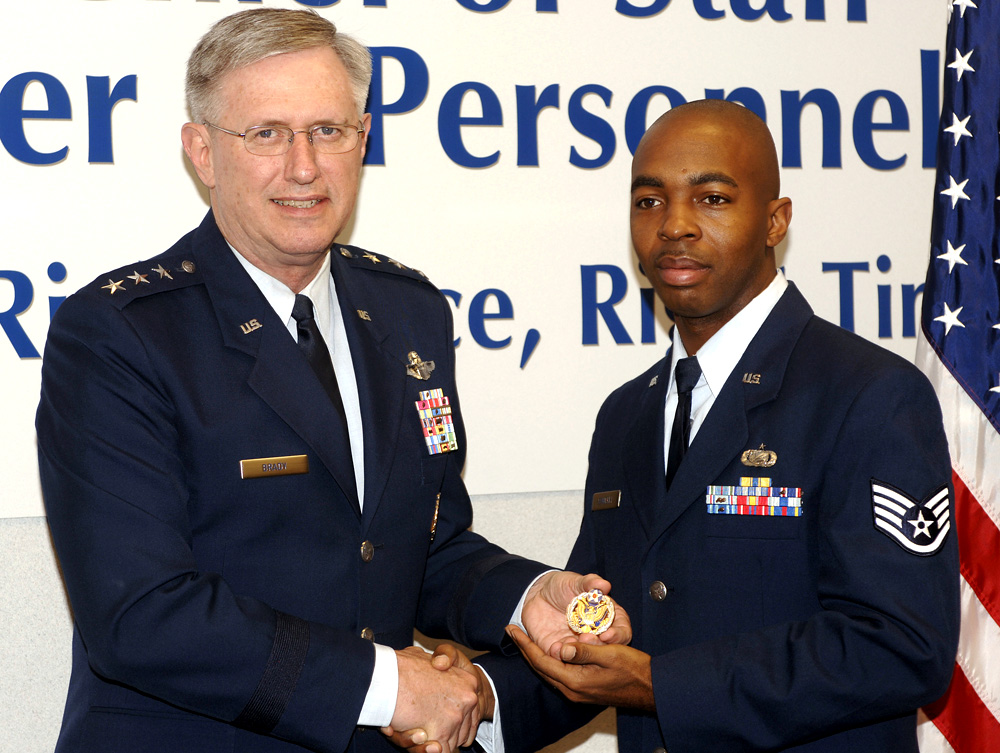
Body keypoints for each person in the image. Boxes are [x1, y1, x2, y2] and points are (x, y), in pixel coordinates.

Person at [35, 9, 628, 753]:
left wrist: (526, 596)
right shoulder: (122, 333)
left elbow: (425, 546)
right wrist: (391, 685)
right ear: (202, 153)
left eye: (328, 130)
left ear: (364, 139)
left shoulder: (409, 312)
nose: (304, 166)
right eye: (267, 134)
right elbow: (142, 615)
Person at [426, 99, 959, 752]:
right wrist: (480, 697)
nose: (674, 225)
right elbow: (600, 637)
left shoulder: (868, 394)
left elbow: (902, 648)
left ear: (775, 220)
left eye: (711, 198)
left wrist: (663, 685)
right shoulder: (627, 414)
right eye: (649, 202)